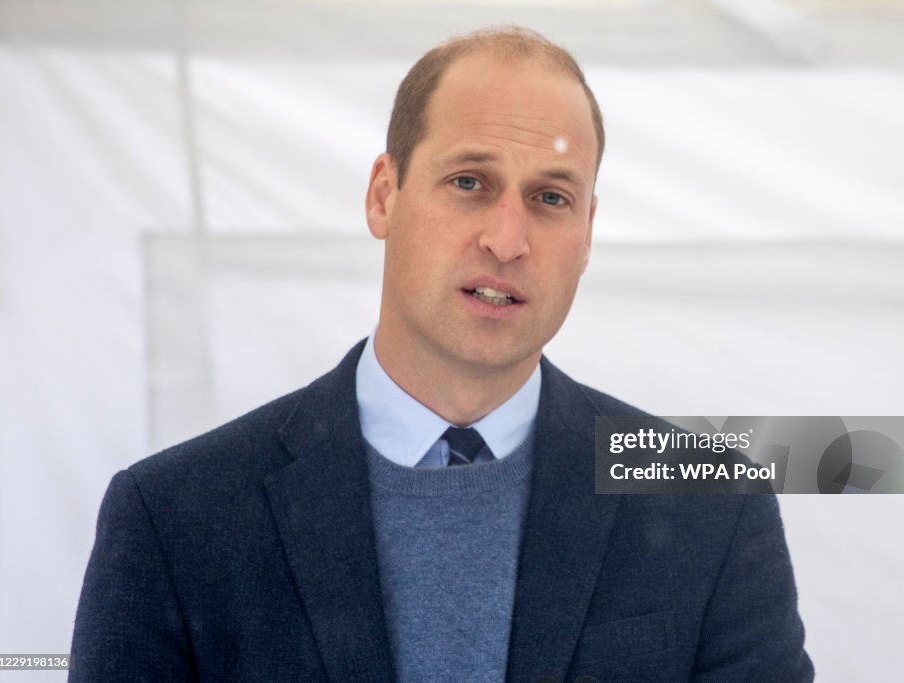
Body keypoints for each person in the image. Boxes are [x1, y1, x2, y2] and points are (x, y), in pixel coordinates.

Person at [70, 26, 813, 682]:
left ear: (587, 233)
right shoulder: (176, 520)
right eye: (469, 182)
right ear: (383, 196)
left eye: (551, 198)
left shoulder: (711, 508)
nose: (507, 239)